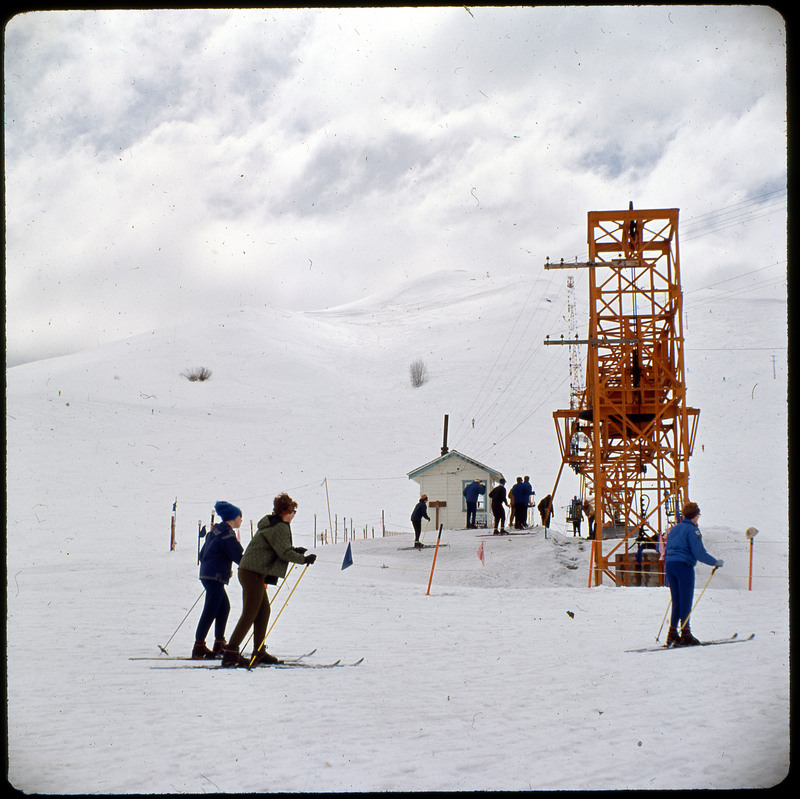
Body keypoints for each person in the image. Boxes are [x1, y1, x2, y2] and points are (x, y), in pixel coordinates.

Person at [221, 493, 316, 668]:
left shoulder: (273, 524)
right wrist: (304, 559)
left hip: (251, 571)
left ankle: (259, 651)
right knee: (250, 613)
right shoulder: (279, 526)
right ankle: (230, 653)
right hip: (253, 573)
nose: (293, 514)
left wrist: (296, 550)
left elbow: (280, 547)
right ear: (285, 511)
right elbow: (284, 553)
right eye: (292, 511)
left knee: (263, 611)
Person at [664, 501, 724, 646]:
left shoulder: (674, 529)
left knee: (676, 599)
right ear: (696, 516)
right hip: (683, 566)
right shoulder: (693, 530)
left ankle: (672, 633)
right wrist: (715, 562)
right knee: (686, 599)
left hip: (669, 565)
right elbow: (699, 553)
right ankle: (686, 633)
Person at [192, 501, 245, 659]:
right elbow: (236, 555)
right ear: (233, 517)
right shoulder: (227, 533)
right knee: (212, 609)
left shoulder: (214, 532)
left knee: (223, 607)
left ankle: (218, 642)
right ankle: (199, 646)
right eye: (240, 517)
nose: (241, 520)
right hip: (215, 577)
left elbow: (202, 554)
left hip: (208, 575)